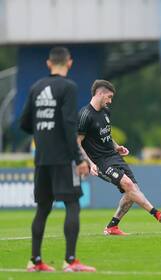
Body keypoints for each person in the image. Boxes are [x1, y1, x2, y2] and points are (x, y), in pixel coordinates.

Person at [20, 47, 96, 272]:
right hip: (63, 159)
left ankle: (35, 261)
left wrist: (43, 131)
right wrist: (79, 158)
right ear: (69, 63)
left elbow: (24, 123)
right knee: (72, 203)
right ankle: (71, 261)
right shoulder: (69, 87)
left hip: (41, 158)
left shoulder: (36, 87)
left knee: (43, 208)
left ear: (48, 63)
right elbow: (69, 123)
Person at [77, 80, 161, 236]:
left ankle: (112, 227)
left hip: (114, 157)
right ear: (100, 93)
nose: (110, 101)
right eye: (109, 97)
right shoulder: (85, 115)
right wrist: (89, 163)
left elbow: (105, 135)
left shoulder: (106, 112)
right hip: (100, 162)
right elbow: (77, 142)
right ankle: (156, 213)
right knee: (129, 185)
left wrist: (116, 146)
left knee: (132, 191)